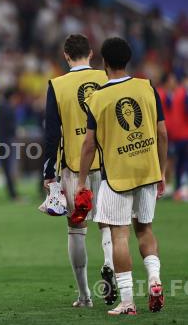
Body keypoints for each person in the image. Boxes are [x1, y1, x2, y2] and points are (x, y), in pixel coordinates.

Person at [78, 37, 167, 315]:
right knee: (145, 229)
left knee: (119, 236)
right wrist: (161, 171)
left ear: (104, 62)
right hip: (147, 170)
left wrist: (81, 181)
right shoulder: (147, 88)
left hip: (117, 176)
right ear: (128, 59)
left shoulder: (98, 98)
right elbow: (162, 133)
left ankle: (128, 301)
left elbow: (90, 144)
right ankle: (154, 279)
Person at [43, 34, 115, 307]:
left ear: (66, 55)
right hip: (109, 165)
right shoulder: (107, 80)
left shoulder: (57, 85)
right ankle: (109, 263)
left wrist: (48, 173)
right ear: (91, 53)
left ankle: (85, 295)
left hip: (74, 166)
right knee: (109, 224)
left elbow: (51, 134)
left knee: (76, 227)